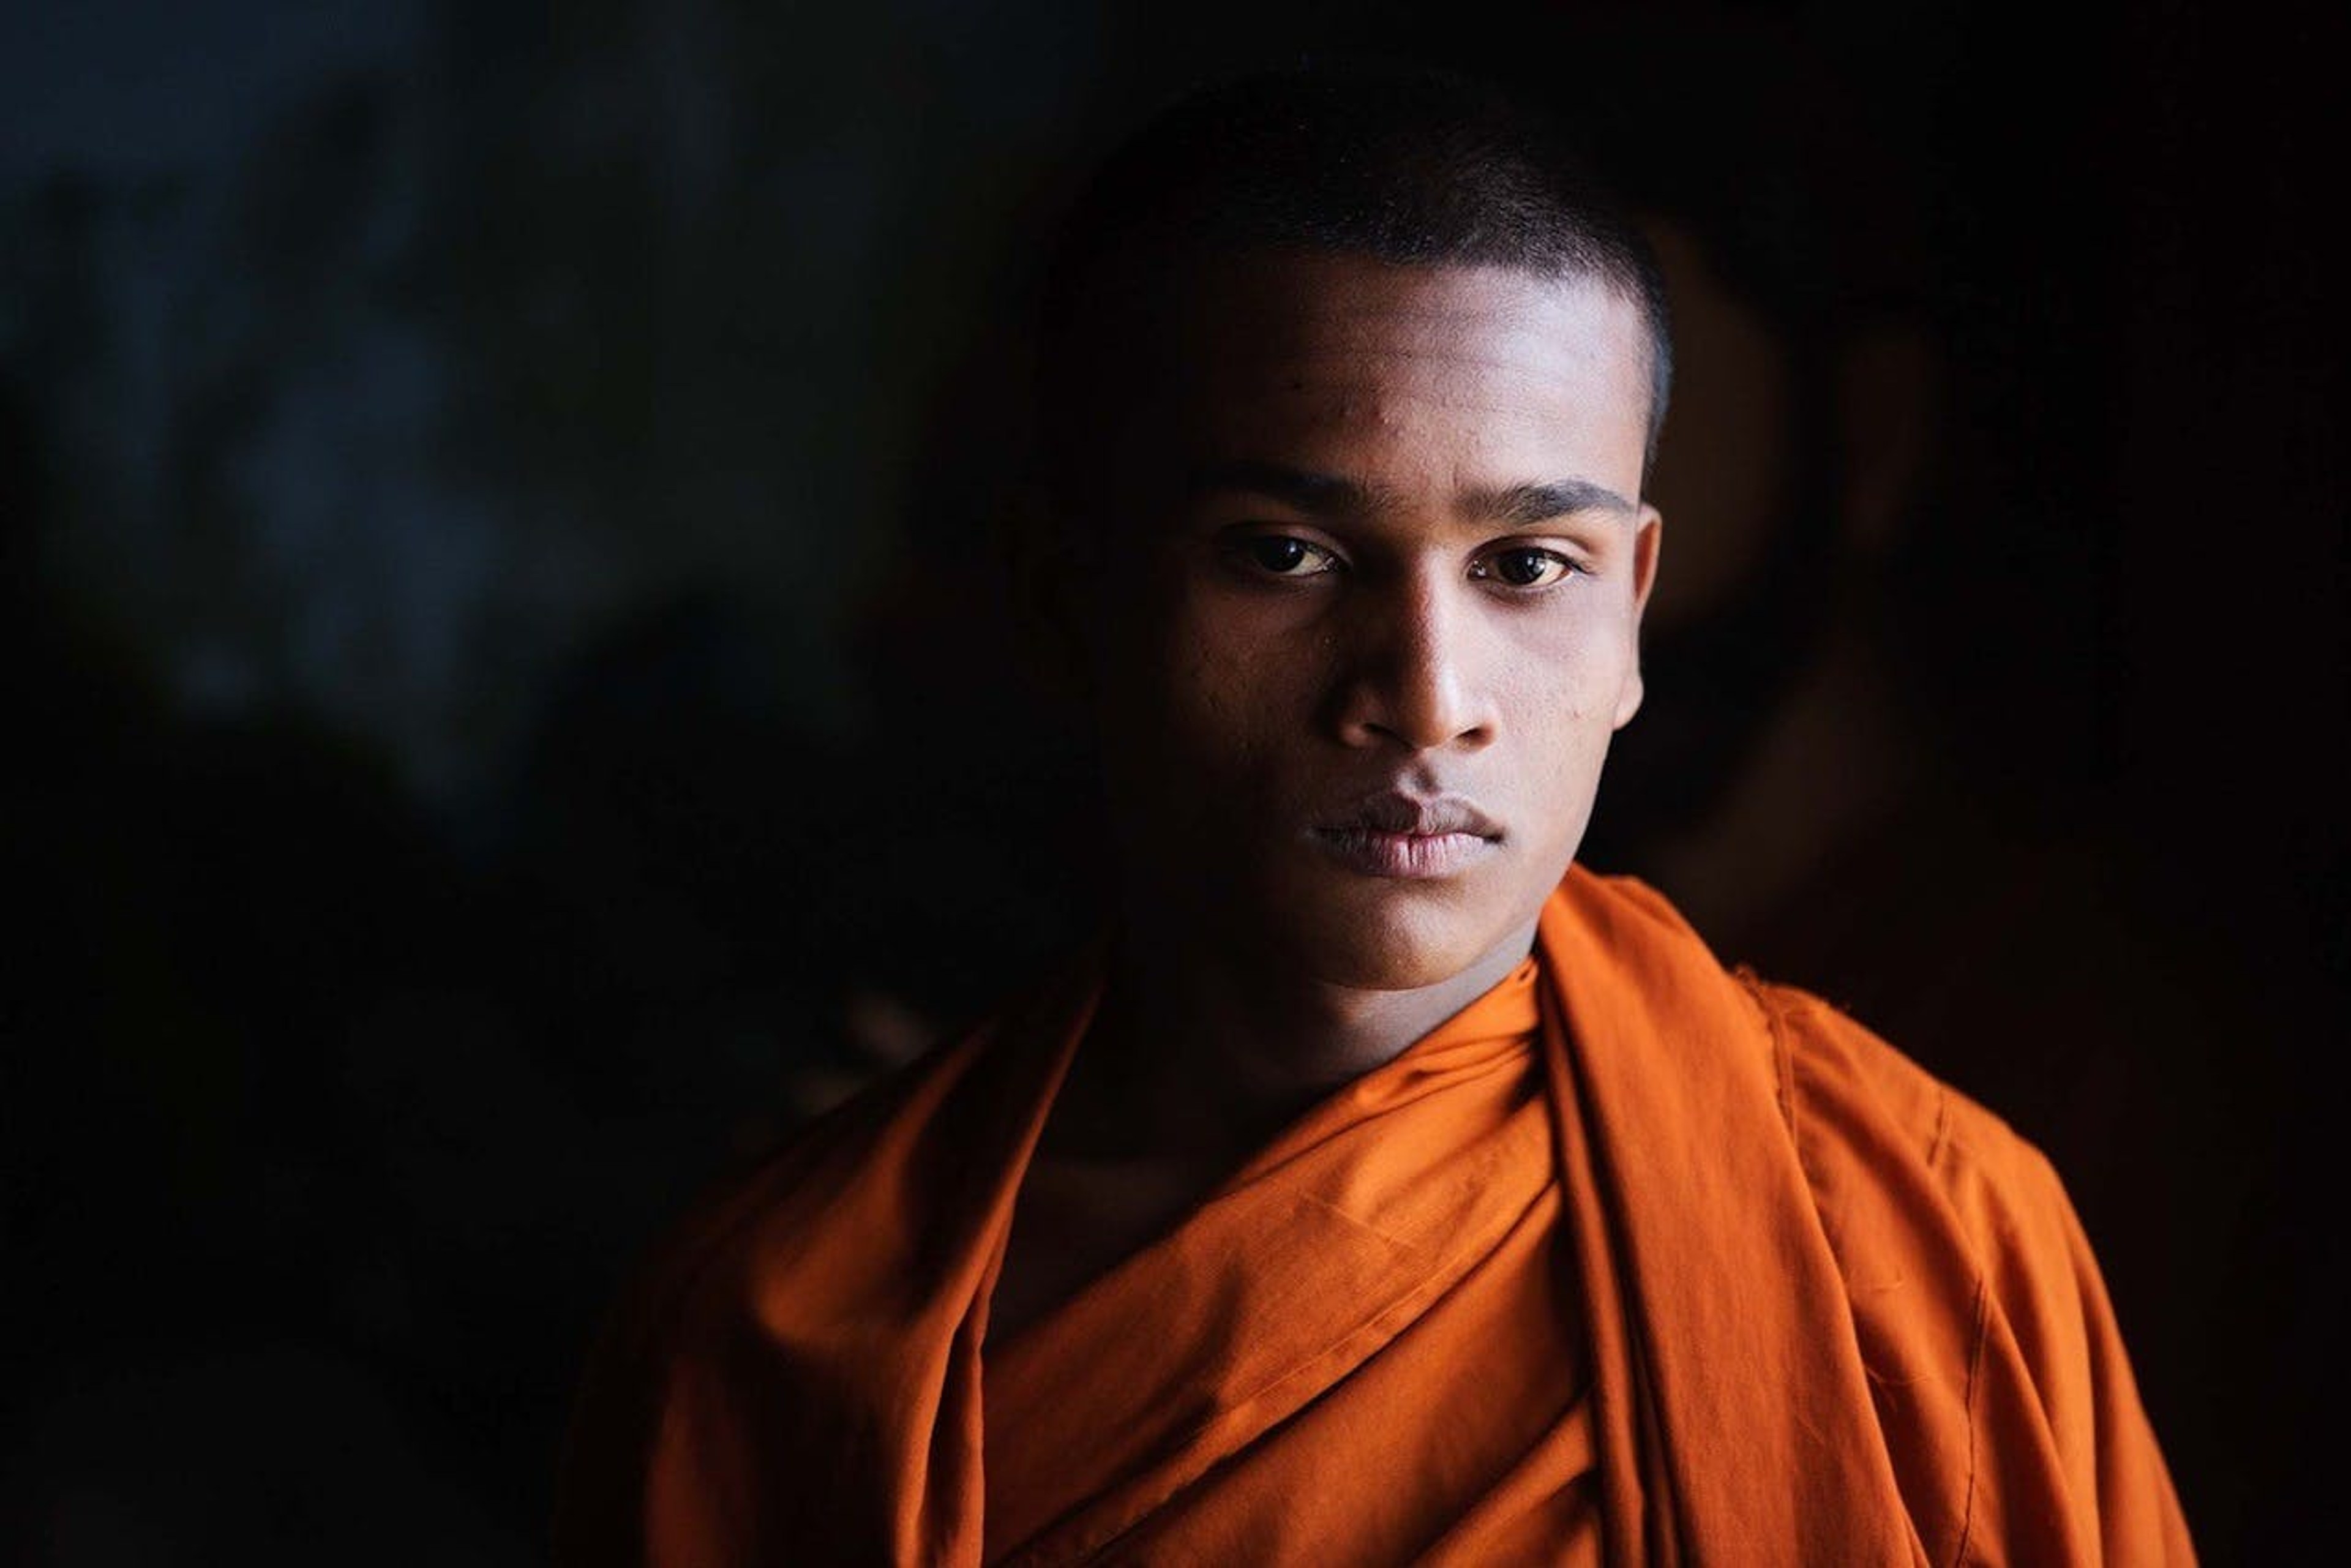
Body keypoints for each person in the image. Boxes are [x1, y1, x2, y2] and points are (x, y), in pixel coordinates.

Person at [553, 65, 2193, 1566]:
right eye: (1285, 551)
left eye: (1525, 566)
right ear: (1070, 595)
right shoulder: (784, 1325)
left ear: (1629, 614)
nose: (1424, 693)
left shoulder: (1919, 1234)